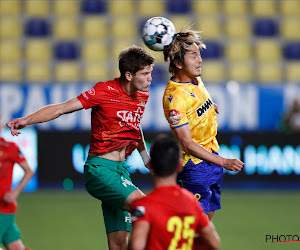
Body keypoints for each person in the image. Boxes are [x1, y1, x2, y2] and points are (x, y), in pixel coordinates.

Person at [7, 45, 155, 250]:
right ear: (129, 75)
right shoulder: (105, 90)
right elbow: (61, 109)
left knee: (119, 244)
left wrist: (145, 157)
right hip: (100, 170)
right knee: (147, 208)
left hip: (121, 172)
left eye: (150, 73)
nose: (150, 78)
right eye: (145, 73)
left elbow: (133, 125)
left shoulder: (142, 95)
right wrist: (27, 120)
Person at [162, 29, 244, 220]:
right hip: (194, 167)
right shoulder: (175, 99)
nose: (200, 60)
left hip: (211, 158)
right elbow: (187, 144)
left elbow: (198, 100)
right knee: (193, 230)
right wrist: (224, 162)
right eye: (193, 55)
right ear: (177, 62)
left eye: (199, 54)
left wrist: (209, 107)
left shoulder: (195, 79)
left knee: (205, 225)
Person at [129, 136, 220, 250]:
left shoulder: (143, 205)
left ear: (151, 165)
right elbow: (214, 243)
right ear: (179, 166)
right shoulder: (191, 202)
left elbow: (136, 246)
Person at [0, 115, 34, 250]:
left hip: (3, 207)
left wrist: (15, 192)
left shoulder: (8, 147)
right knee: (16, 247)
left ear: (1, 126)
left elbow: (29, 171)